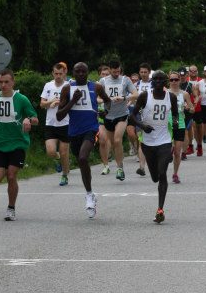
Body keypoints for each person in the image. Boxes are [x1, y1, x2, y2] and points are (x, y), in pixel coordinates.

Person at [56, 62, 111, 218]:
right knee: (79, 159)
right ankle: (91, 194)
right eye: (77, 71)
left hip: (91, 129)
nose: (80, 74)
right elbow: (59, 115)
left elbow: (108, 101)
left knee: (82, 158)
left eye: (83, 71)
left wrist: (105, 112)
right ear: (73, 73)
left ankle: (89, 194)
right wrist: (73, 101)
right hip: (73, 131)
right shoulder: (67, 88)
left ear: (88, 73)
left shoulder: (96, 87)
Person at [0, 69, 38, 221]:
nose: (3, 85)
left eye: (7, 82)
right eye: (0, 82)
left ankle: (11, 208)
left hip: (18, 143)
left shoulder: (21, 99)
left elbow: (35, 118)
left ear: (13, 82)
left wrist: (28, 120)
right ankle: (2, 170)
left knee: (12, 175)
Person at [130, 70, 178, 223]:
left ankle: (160, 209)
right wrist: (142, 125)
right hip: (148, 142)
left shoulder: (171, 97)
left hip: (164, 140)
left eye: (160, 79)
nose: (157, 81)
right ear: (152, 81)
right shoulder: (145, 96)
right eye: (155, 79)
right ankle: (156, 172)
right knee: (155, 177)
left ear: (165, 81)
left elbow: (176, 115)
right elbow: (132, 116)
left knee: (162, 172)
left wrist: (176, 124)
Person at [97, 59, 137, 181]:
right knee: (114, 144)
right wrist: (106, 100)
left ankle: (119, 168)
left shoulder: (125, 80)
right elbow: (97, 99)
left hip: (122, 114)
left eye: (118, 71)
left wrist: (124, 97)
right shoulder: (103, 81)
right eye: (114, 71)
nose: (116, 73)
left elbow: (136, 94)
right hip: (108, 116)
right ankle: (118, 164)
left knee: (117, 139)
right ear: (109, 70)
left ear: (120, 69)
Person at [40, 61, 70, 186]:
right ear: (53, 73)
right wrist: (51, 102)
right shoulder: (48, 85)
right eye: (56, 73)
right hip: (51, 123)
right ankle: (59, 160)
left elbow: (74, 103)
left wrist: (62, 104)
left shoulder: (69, 85)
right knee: (50, 151)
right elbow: (42, 104)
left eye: (60, 73)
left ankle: (64, 175)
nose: (58, 76)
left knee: (64, 152)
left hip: (65, 122)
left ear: (64, 73)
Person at [168, 70, 193, 183]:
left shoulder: (184, 94)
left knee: (177, 152)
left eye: (176, 79)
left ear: (180, 80)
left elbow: (192, 108)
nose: (174, 82)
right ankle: (170, 148)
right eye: (171, 79)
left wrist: (188, 107)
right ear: (169, 81)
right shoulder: (165, 92)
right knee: (167, 148)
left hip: (178, 119)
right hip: (166, 121)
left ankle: (175, 174)